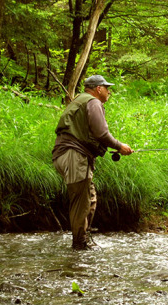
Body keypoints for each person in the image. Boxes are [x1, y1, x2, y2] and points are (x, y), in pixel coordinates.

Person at [52, 75, 133, 250]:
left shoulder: (79, 100)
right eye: (106, 87)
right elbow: (101, 133)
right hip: (74, 156)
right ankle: (79, 245)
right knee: (81, 203)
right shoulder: (93, 102)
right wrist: (120, 146)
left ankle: (84, 240)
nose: (109, 91)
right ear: (98, 89)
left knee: (90, 199)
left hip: (64, 155)